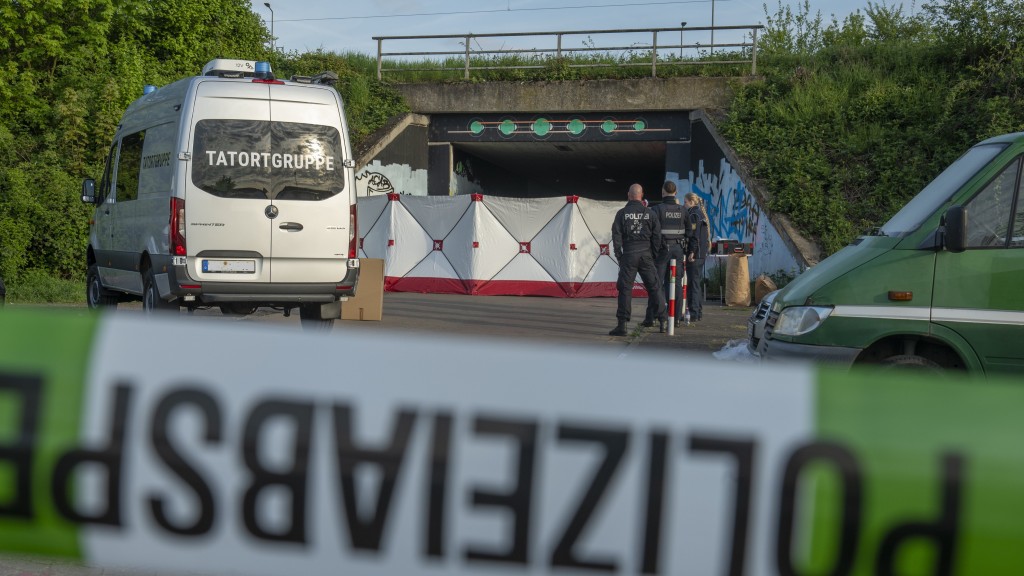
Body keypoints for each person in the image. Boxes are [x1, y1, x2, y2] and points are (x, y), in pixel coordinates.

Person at [609, 183, 665, 336]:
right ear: (642, 195)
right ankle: (663, 321)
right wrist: (652, 254)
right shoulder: (650, 213)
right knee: (654, 288)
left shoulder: (622, 213)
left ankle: (622, 325)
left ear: (629, 195)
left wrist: (620, 256)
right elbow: (657, 236)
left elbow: (616, 236)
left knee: (625, 289)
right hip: (646, 253)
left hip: (629, 254)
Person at [644, 181, 688, 329]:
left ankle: (654, 317)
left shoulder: (656, 209)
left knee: (657, 284)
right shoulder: (683, 210)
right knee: (675, 284)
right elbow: (689, 231)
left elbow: (651, 232)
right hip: (678, 249)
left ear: (663, 192)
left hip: (662, 251)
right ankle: (675, 318)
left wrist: (654, 249)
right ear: (676, 193)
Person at [684, 191, 711, 321]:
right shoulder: (701, 214)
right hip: (701, 254)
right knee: (696, 283)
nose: (684, 205)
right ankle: (698, 312)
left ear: (691, 202)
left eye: (685, 202)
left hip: (696, 254)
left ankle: (694, 313)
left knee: (693, 284)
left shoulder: (693, 214)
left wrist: (691, 252)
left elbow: (694, 235)